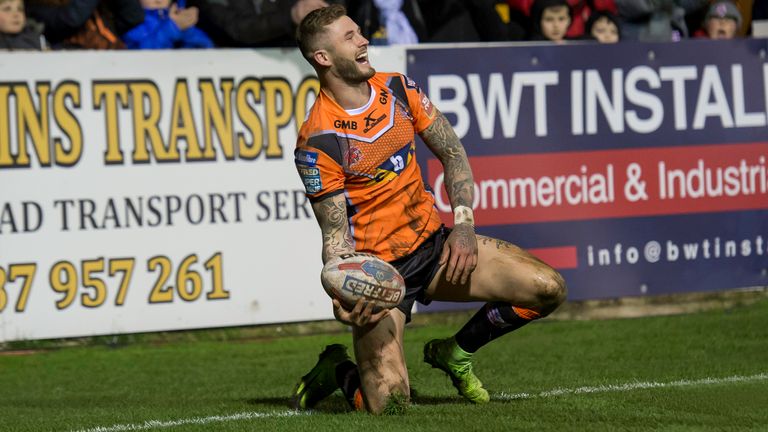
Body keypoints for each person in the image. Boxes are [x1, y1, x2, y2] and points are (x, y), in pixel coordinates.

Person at [291, 5, 567, 414]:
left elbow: (453, 152)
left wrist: (464, 226)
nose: (364, 40)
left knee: (547, 289)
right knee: (390, 406)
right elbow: (334, 235)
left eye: (359, 32)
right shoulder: (318, 141)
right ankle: (339, 371)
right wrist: (343, 286)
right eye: (349, 37)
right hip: (381, 275)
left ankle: (456, 352)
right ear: (323, 58)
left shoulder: (399, 89)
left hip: (435, 248)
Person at [186, 0, 328, 47]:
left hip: (304, 70)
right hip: (238, 77)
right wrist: (291, 16)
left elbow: (337, 9)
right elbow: (239, 29)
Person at [25, 0, 143, 49]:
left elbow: (133, 17)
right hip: (73, 66)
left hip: (114, 59)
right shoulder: (37, 4)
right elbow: (71, 19)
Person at [122, 0, 214, 48]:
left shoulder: (176, 18)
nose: (158, 0)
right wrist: (172, 28)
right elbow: (139, 57)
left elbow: (206, 49)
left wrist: (186, 29)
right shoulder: (132, 24)